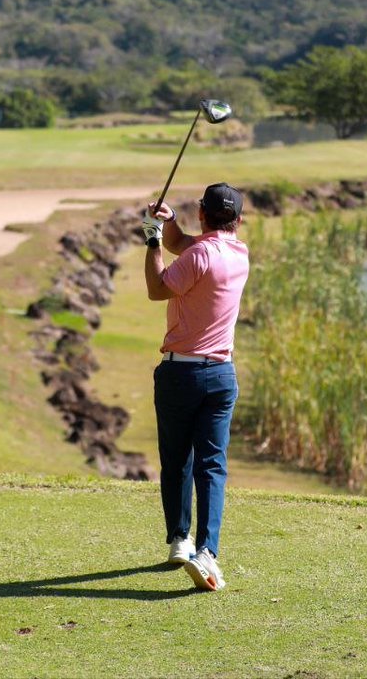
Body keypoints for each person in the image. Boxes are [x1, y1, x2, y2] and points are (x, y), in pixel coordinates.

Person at [141, 183, 249, 592]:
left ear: (202, 213)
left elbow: (157, 288)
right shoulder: (238, 253)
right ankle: (207, 551)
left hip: (180, 374)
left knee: (176, 461)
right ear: (237, 220)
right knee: (212, 465)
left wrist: (152, 239)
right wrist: (168, 223)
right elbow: (185, 244)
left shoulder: (199, 256)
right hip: (221, 376)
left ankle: (179, 540)